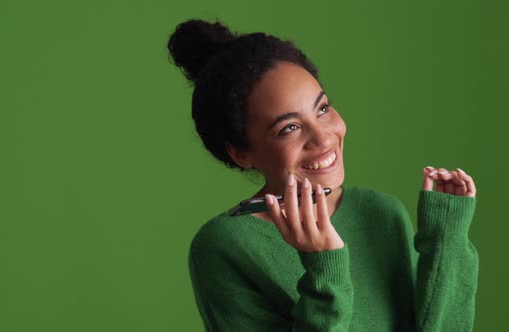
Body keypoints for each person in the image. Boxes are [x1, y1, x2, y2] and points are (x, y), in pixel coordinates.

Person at [167, 19, 478, 332]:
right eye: (289, 128)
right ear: (240, 153)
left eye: (323, 109)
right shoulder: (225, 246)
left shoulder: (381, 212)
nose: (324, 138)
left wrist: (446, 240)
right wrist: (324, 267)